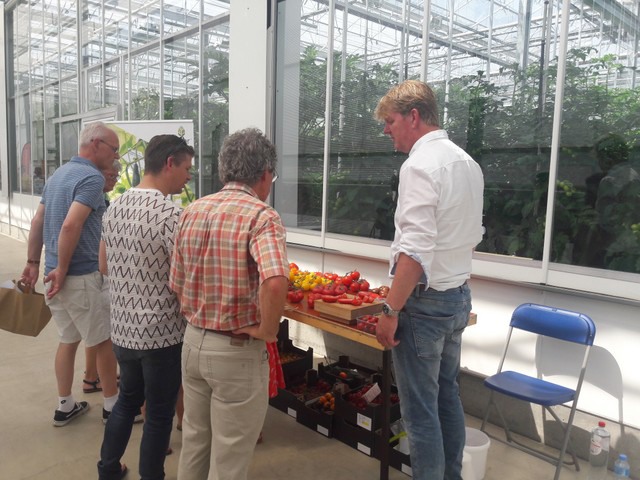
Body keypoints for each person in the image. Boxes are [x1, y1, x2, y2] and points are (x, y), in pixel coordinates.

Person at [373, 80, 484, 480]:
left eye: (390, 121)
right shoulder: (467, 163)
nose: (387, 130)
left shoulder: (419, 165)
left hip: (425, 305)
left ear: (414, 116)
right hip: (457, 296)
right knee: (447, 397)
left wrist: (390, 310)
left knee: (420, 413)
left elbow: (415, 251)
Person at [169, 127, 289, 480]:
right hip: (235, 350)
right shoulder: (261, 216)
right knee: (230, 458)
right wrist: (267, 330)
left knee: (195, 442)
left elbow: (176, 282)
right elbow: (276, 280)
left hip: (193, 342)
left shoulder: (192, 210)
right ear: (265, 174)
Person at [97, 134, 194, 480]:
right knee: (159, 413)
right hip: (162, 334)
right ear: (169, 163)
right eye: (186, 168)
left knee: (126, 401)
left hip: (123, 329)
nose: (188, 177)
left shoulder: (115, 205)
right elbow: (183, 278)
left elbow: (104, 265)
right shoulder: (171, 214)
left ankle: (108, 469)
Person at [20, 121, 121, 427]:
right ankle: (112, 407)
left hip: (54, 276)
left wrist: (34, 262)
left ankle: (65, 405)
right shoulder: (91, 177)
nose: (116, 157)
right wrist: (64, 269)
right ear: (96, 144)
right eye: (114, 149)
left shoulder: (59, 174)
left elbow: (38, 220)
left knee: (68, 339)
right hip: (78, 276)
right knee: (102, 342)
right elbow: (71, 224)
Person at [84, 159, 121, 394]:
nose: (115, 180)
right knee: (101, 333)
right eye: (111, 175)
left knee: (94, 330)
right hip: (95, 270)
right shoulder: (94, 196)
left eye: (117, 176)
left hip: (94, 268)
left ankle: (93, 375)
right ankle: (95, 379)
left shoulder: (102, 198)